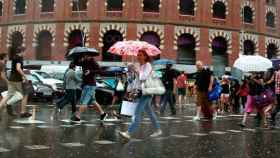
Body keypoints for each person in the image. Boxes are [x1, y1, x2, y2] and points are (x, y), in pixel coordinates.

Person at [119, 49, 162, 139]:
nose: (138, 56)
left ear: (145, 56)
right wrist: (131, 90)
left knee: (137, 112)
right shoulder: (141, 66)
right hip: (140, 92)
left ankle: (128, 132)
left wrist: (136, 70)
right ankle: (158, 130)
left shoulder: (148, 65)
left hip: (146, 92)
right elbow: (137, 81)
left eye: (140, 55)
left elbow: (143, 77)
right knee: (150, 113)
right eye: (138, 55)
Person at [71, 55, 107, 122]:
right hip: (85, 85)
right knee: (92, 101)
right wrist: (76, 56)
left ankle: (78, 116)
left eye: (86, 55)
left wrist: (90, 71)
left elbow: (100, 71)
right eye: (83, 55)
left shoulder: (92, 61)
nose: (84, 57)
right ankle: (103, 114)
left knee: (84, 101)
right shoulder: (84, 61)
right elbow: (76, 63)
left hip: (90, 85)